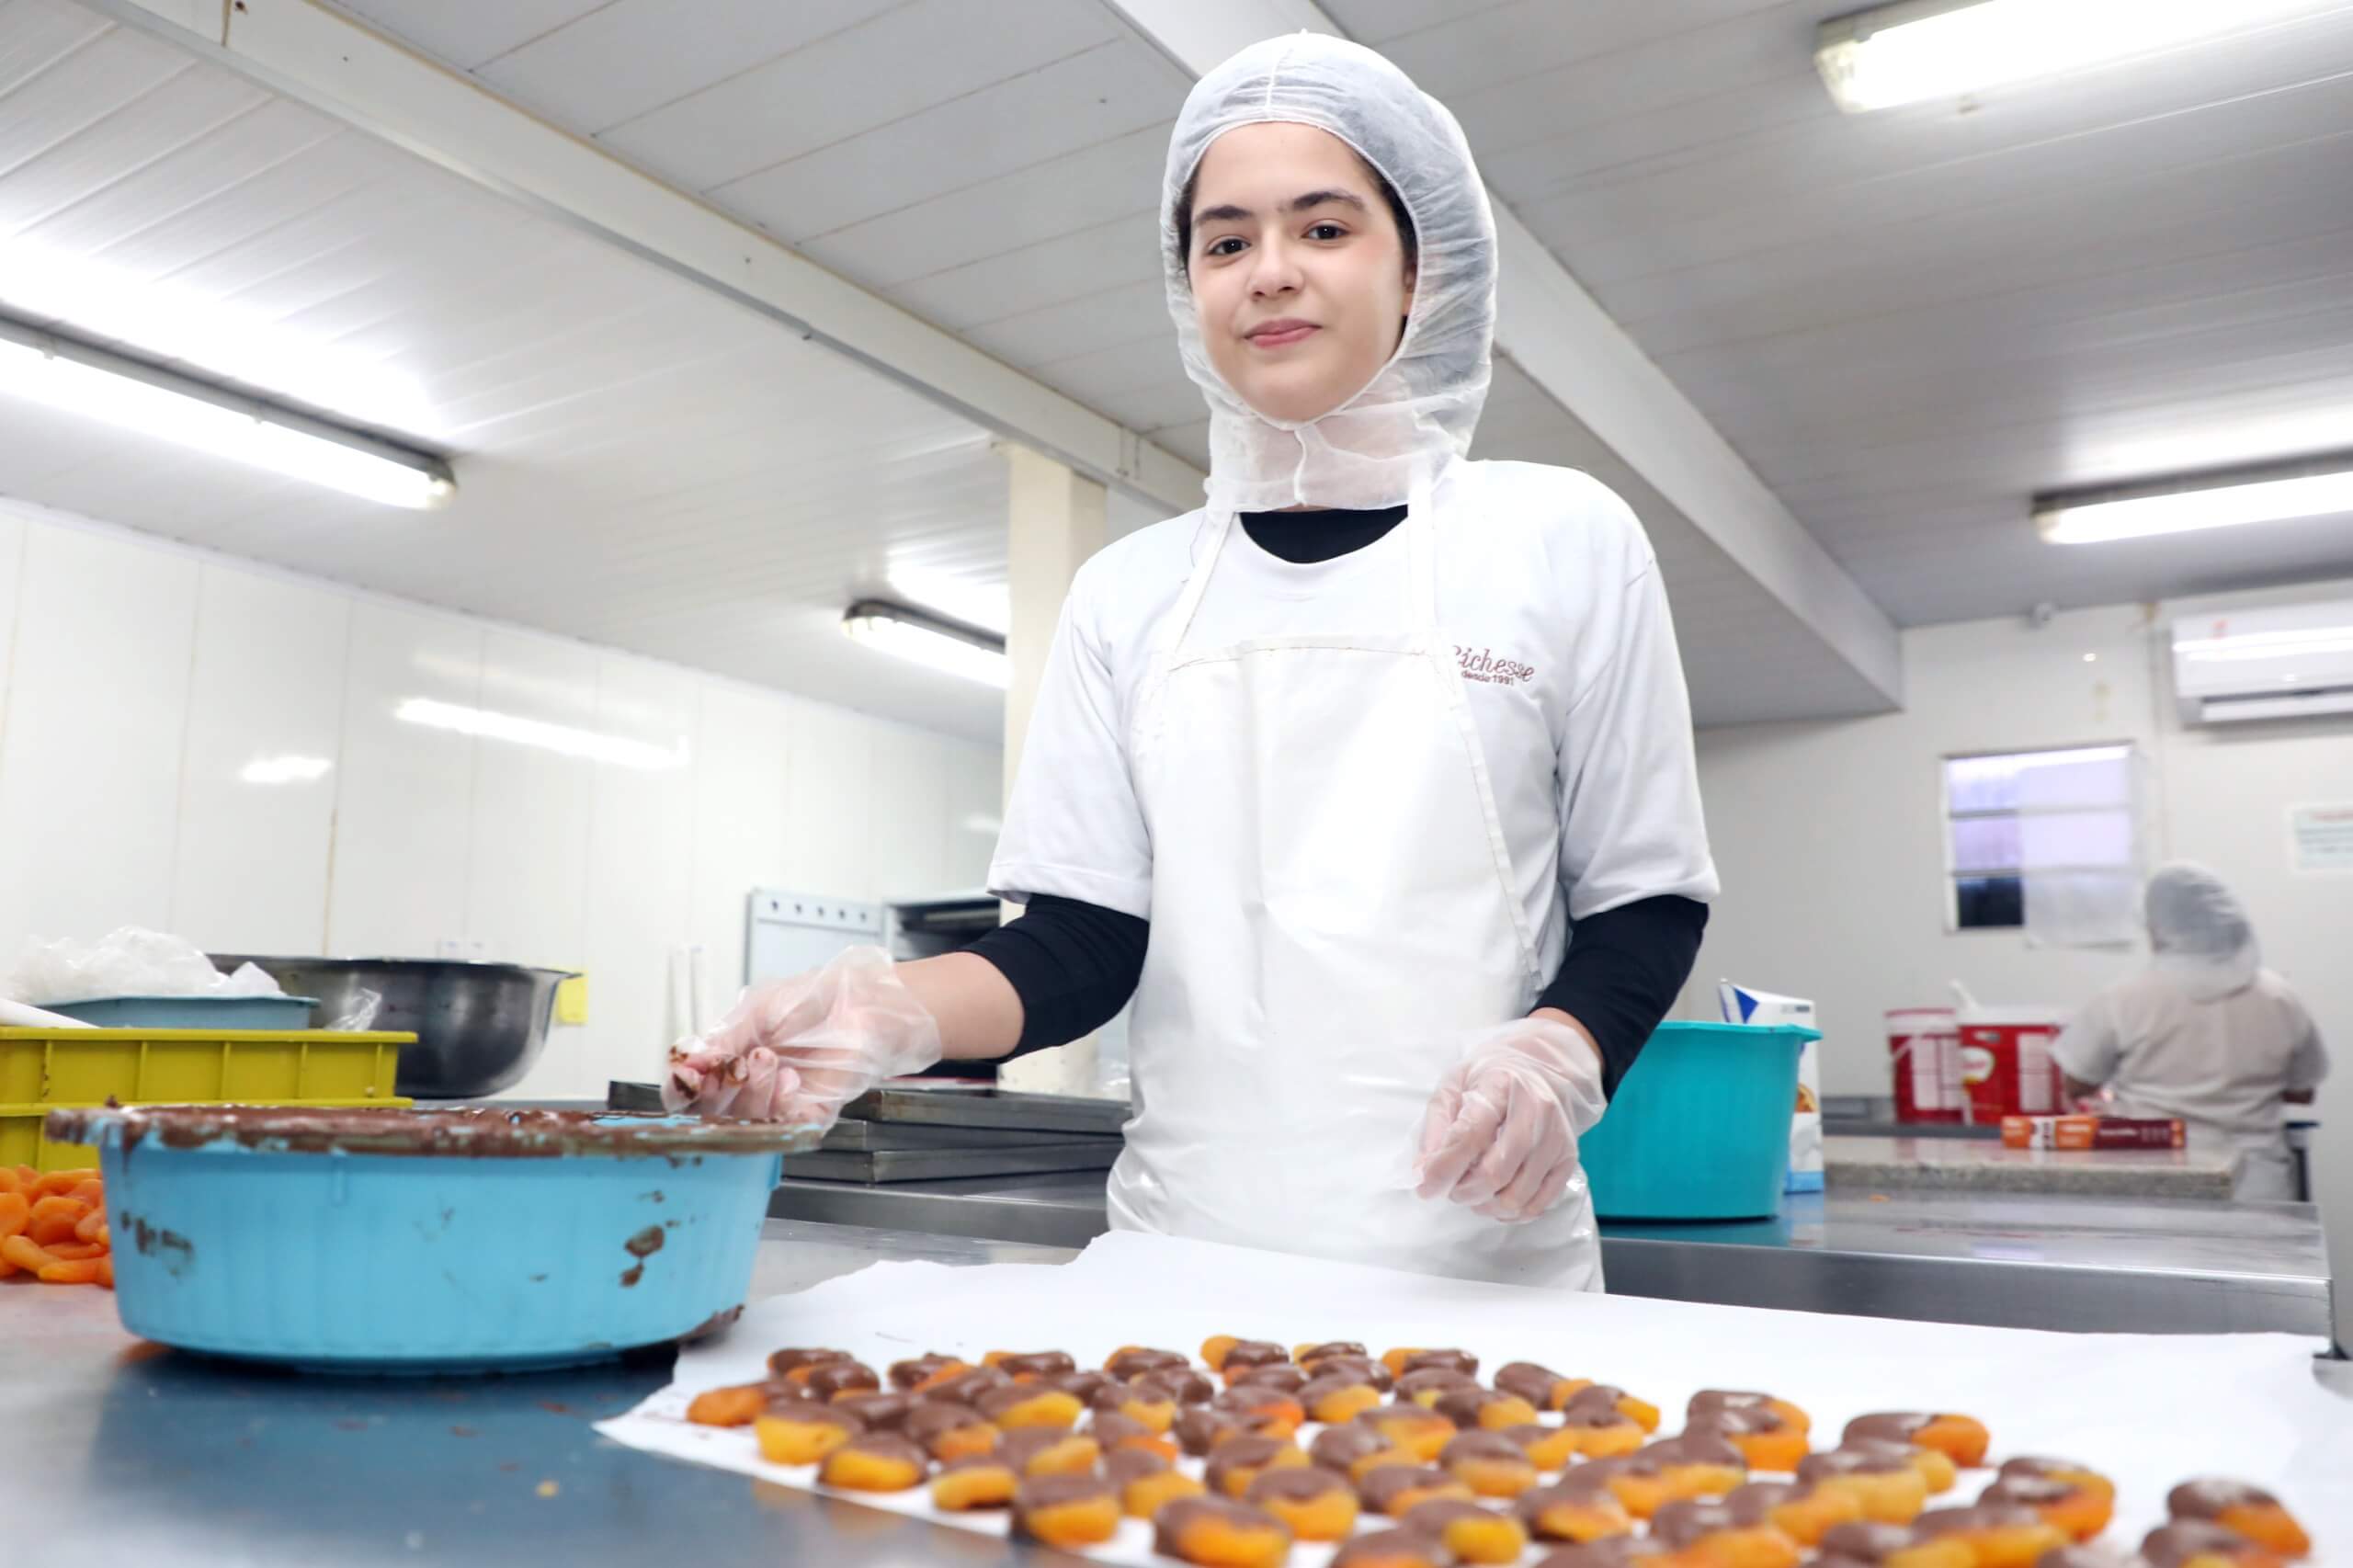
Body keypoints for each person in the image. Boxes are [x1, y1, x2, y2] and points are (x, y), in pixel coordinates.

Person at [666, 34, 1717, 1288]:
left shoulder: (1561, 537)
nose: (1269, 272)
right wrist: (875, 1015)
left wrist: (1557, 1053)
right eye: (1225, 243)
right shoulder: (1130, 593)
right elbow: (1077, 947)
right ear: (1190, 290)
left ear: (1420, 267)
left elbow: (1643, 900)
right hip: (1182, 1266)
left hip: (1484, 1274)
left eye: (1323, 227)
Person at [2054, 864, 2328, 1200]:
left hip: (2157, 1186)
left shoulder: (2123, 998)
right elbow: (2303, 1092)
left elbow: (2076, 1084)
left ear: (2156, 928)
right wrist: (2235, 1090)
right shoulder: (2280, 997)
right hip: (2256, 1187)